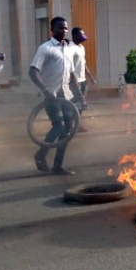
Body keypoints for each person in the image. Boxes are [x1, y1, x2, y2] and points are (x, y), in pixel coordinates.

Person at [29, 16, 85, 175]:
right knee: (59, 126)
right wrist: (45, 90)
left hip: (66, 96)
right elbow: (33, 71)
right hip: (51, 96)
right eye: (60, 28)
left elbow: (72, 75)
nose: (64, 30)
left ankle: (57, 165)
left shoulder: (68, 49)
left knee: (67, 131)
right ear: (52, 30)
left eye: (66, 28)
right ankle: (41, 154)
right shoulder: (45, 48)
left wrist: (80, 95)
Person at [70, 27, 96, 132]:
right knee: (73, 103)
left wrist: (91, 77)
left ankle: (77, 125)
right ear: (75, 36)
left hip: (82, 80)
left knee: (81, 104)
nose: (83, 37)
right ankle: (70, 125)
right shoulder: (70, 48)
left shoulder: (81, 47)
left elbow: (83, 64)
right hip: (73, 81)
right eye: (81, 35)